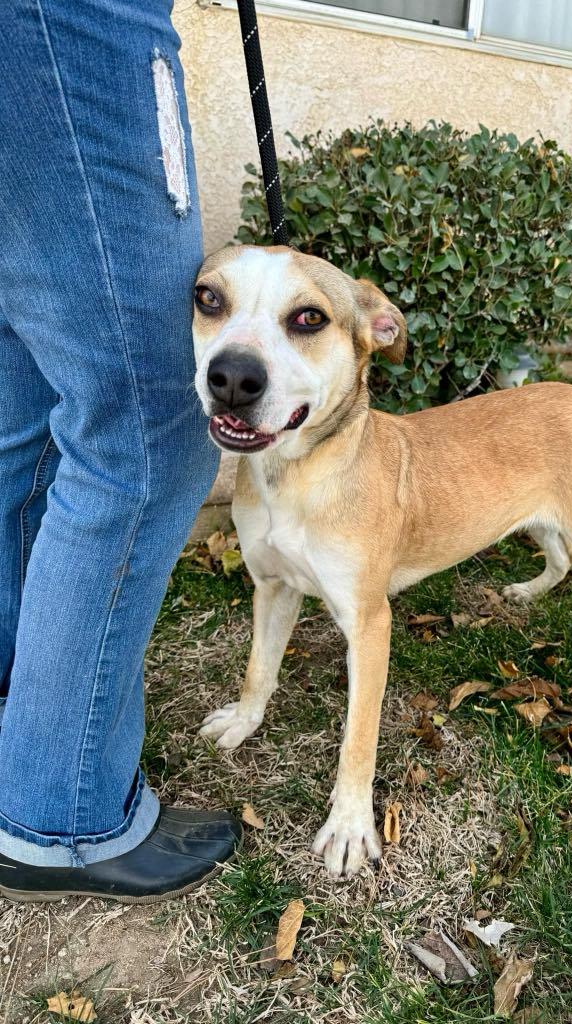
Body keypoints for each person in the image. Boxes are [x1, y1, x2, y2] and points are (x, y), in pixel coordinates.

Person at [0, 0, 239, 902]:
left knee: (24, 412)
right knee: (149, 436)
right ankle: (58, 816)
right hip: (61, 25)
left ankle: (21, 709)